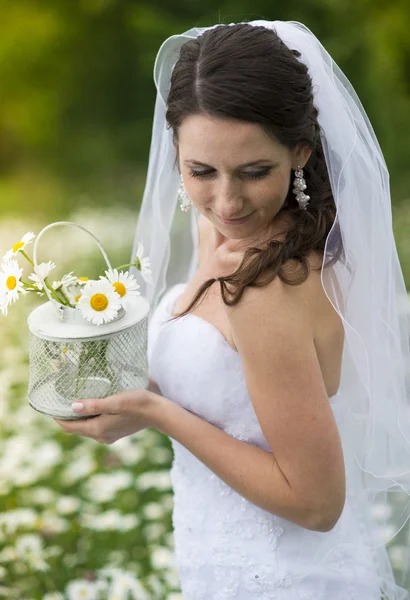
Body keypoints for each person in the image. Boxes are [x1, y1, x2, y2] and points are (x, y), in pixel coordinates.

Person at [56, 20, 410, 599]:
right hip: (213, 558)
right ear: (175, 151)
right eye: (201, 172)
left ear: (300, 152)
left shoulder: (267, 287)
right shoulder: (218, 235)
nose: (226, 202)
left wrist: (157, 413)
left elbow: (316, 503)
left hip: (286, 579)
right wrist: (117, 395)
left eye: (254, 173)